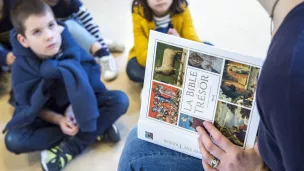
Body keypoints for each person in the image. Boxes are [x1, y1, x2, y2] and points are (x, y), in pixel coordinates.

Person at [119, 0, 304, 170]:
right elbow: (143, 52)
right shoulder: (139, 12)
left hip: (262, 157)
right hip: (268, 143)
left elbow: (193, 37)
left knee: (136, 148)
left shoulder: (287, 70)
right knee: (136, 69)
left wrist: (257, 168)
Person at [3, 1, 129, 170]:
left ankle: (71, 147)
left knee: (120, 100)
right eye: (37, 32)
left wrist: (75, 107)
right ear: (23, 40)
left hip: (78, 107)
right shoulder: (21, 66)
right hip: (50, 117)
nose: (49, 35)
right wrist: (59, 119)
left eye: (51, 25)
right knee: (14, 140)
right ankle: (95, 131)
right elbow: (28, 105)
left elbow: (90, 76)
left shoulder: (68, 44)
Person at [44, 0, 123, 81]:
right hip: (61, 42)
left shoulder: (72, 2)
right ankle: (95, 43)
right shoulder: (38, 7)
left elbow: (90, 25)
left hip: (78, 30)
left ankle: (103, 53)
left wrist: (103, 50)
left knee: (68, 26)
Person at [126, 0, 201, 83]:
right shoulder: (138, 11)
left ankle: (164, 80)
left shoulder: (182, 6)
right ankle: (175, 80)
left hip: (178, 58)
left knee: (207, 48)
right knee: (133, 69)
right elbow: (142, 56)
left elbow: (194, 41)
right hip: (156, 60)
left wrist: (180, 42)